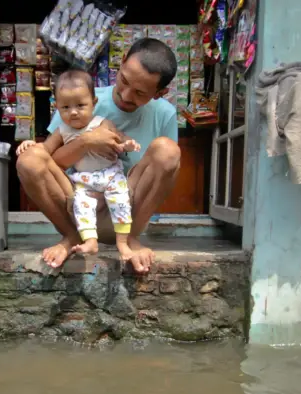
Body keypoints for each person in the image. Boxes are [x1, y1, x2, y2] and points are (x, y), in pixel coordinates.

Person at [16, 37, 181, 273]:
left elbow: (165, 173)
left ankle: (131, 239)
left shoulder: (165, 114)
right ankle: (71, 237)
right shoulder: (80, 99)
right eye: (123, 81)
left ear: (159, 93)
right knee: (30, 158)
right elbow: (50, 162)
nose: (125, 95)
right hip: (79, 201)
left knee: (168, 150)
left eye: (139, 93)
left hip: (127, 205)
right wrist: (86, 142)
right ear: (121, 61)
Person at [16, 69, 142, 261]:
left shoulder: (103, 124)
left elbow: (120, 140)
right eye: (65, 107)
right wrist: (30, 144)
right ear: (56, 106)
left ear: (94, 102)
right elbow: (45, 150)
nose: (73, 112)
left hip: (110, 175)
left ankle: (123, 243)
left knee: (120, 201)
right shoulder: (62, 131)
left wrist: (128, 144)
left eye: (80, 105)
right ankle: (89, 241)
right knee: (82, 205)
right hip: (83, 180)